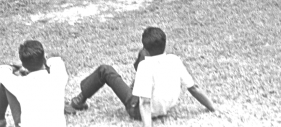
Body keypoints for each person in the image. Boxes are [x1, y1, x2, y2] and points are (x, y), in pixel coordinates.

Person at [67, 27, 215, 125]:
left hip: (138, 109)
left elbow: (144, 103)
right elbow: (194, 89)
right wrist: (212, 107)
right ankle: (136, 86)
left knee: (104, 70)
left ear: (146, 47)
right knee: (143, 59)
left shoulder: (145, 66)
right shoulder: (174, 59)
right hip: (166, 105)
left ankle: (78, 101)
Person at [0, 40, 67, 127]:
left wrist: (16, 66)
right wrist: (44, 60)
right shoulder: (58, 77)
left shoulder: (20, 84)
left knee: (6, 84)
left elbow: (2, 71)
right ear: (44, 58)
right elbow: (56, 60)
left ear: (24, 65)